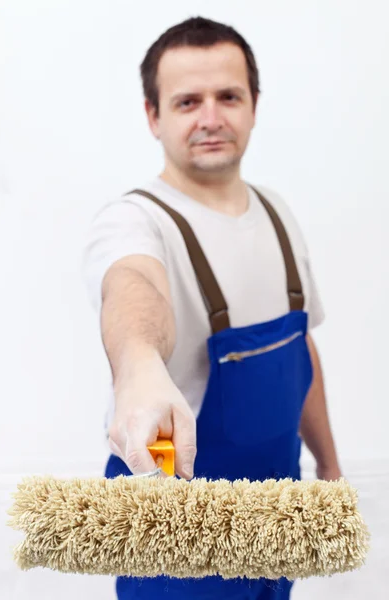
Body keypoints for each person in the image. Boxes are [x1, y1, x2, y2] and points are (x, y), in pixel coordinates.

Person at [82, 15, 342, 600]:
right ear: (153, 115)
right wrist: (140, 365)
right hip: (175, 521)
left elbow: (299, 349)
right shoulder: (133, 220)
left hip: (277, 505)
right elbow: (131, 290)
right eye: (186, 101)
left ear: (254, 104)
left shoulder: (276, 213)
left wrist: (328, 466)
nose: (210, 118)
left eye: (228, 96)